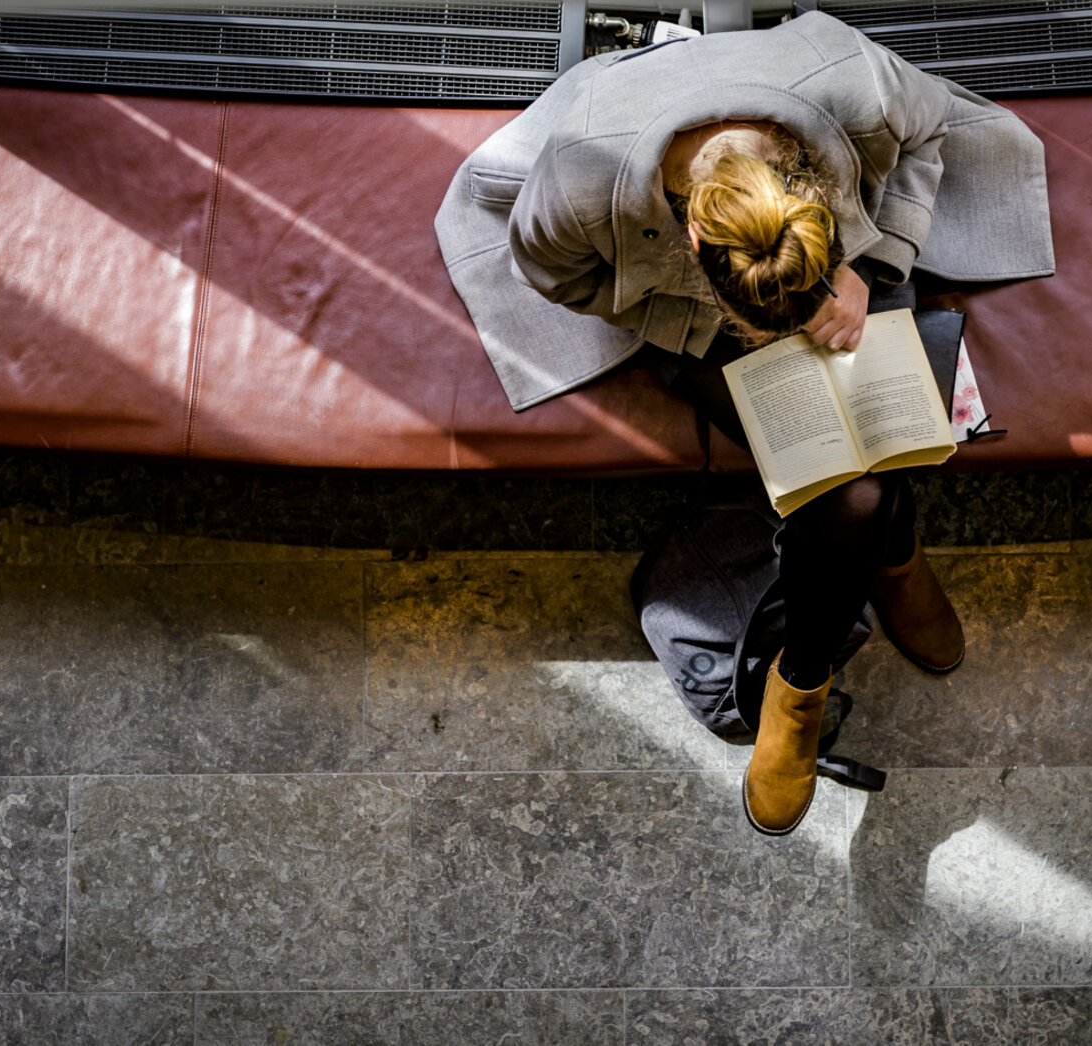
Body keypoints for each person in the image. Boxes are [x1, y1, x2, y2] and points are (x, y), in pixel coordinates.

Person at [435, 12, 1054, 835]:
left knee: (880, 448)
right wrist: (694, 325)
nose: (791, 348)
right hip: (686, 324)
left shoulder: (854, 85)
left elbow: (929, 132)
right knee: (855, 491)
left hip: (837, 280)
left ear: (817, 199)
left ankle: (845, 621)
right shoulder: (583, 179)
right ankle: (837, 637)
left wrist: (866, 270)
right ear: (692, 238)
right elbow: (555, 275)